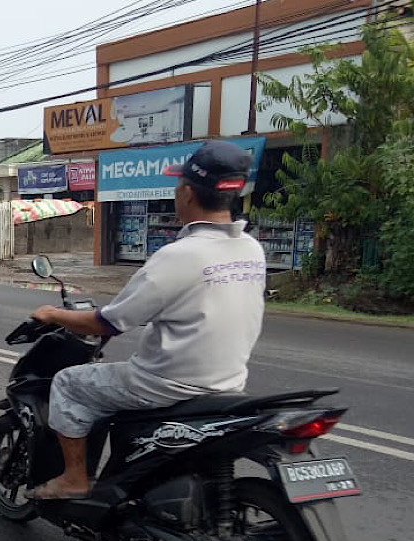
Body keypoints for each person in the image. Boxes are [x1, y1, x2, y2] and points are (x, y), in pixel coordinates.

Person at [26, 140, 266, 500]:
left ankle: (74, 478)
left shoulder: (179, 255)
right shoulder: (251, 249)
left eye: (177, 185)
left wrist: (52, 314)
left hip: (166, 383)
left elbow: (108, 323)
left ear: (186, 192)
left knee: (67, 383)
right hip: (228, 384)